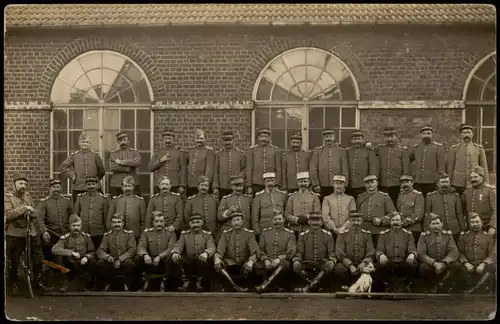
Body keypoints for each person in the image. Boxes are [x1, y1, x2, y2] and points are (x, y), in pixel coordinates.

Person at [5, 174, 49, 295]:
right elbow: (8, 214)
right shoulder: (8, 198)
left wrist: (32, 211)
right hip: (15, 233)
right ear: (14, 185)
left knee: (38, 256)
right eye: (20, 183)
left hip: (30, 232)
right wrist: (24, 208)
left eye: (24, 184)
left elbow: (35, 213)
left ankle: (38, 282)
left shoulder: (28, 196)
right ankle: (14, 284)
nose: (23, 186)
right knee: (13, 259)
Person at [214, 209, 260, 292]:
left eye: (238, 220)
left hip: (243, 263)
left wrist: (251, 261)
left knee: (250, 265)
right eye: (233, 220)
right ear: (230, 222)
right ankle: (233, 286)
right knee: (218, 264)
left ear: (242, 221)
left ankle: (244, 287)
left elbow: (255, 250)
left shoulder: (249, 234)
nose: (236, 222)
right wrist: (217, 258)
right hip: (230, 262)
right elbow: (220, 250)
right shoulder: (226, 234)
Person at [171, 213, 216, 292]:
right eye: (193, 222)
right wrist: (175, 252)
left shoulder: (207, 234)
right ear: (189, 224)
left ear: (202, 223)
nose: (195, 224)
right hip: (189, 261)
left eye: (198, 222)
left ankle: (200, 283)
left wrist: (206, 253)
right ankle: (185, 282)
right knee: (178, 258)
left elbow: (212, 247)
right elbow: (179, 245)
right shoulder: (184, 234)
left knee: (207, 260)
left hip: (202, 260)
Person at [51, 214, 96, 292]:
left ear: (81, 226)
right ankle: (66, 283)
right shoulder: (65, 238)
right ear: (70, 227)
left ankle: (86, 284)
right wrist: (71, 253)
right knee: (59, 257)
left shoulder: (86, 237)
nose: (76, 228)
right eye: (74, 225)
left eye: (78, 225)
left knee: (93, 261)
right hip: (70, 262)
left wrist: (87, 257)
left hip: (83, 261)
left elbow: (93, 252)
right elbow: (55, 249)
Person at [293, 213, 336, 293]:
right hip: (307, 264)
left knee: (329, 266)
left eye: (317, 221)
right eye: (313, 221)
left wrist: (332, 260)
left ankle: (310, 287)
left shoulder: (328, 235)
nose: (315, 223)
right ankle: (314, 286)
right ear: (309, 222)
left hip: (321, 264)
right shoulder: (303, 235)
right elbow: (299, 252)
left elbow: (331, 252)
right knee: (296, 266)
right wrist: (296, 260)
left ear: (322, 223)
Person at [416, 213, 459, 293]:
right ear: (429, 225)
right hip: (430, 264)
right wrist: (434, 263)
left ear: (442, 224)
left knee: (456, 266)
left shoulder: (448, 235)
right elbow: (421, 253)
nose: (436, 226)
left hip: (444, 262)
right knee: (423, 268)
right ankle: (431, 286)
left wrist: (444, 262)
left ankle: (440, 285)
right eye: (433, 224)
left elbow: (454, 252)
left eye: (438, 223)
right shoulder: (424, 236)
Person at [57, 131, 105, 203]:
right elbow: (61, 167)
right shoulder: (74, 156)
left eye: (86, 142)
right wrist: (72, 175)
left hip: (94, 187)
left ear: (89, 143)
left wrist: (95, 180)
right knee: (77, 208)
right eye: (83, 142)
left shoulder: (95, 155)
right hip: (78, 187)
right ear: (79, 143)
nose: (84, 144)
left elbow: (101, 171)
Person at [255, 211, 297, 293]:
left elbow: (291, 251)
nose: (277, 221)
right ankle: (276, 288)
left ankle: (265, 285)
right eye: (274, 219)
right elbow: (260, 249)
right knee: (256, 266)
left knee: (284, 265)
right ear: (271, 220)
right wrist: (266, 260)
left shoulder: (290, 234)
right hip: (268, 260)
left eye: (279, 219)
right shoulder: (265, 233)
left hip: (282, 262)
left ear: (284, 220)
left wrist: (278, 259)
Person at [135, 211, 177, 292]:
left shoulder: (170, 233)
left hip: (164, 261)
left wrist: (160, 256)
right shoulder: (147, 233)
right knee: (137, 258)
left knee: (171, 257)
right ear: (153, 222)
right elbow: (141, 246)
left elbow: (171, 248)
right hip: (150, 260)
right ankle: (141, 284)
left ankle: (169, 285)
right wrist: (145, 255)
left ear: (165, 222)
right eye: (156, 221)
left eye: (161, 221)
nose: (159, 223)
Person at [376, 212, 417, 293]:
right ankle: (386, 286)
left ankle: (407, 285)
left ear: (401, 221)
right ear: (390, 222)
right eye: (393, 220)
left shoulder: (408, 234)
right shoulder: (384, 234)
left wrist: (412, 254)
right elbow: (379, 249)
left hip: (403, 259)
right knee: (380, 264)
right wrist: (381, 255)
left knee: (413, 263)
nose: (395, 222)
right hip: (389, 260)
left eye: (397, 220)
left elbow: (412, 247)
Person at [96, 212, 137, 291]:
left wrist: (121, 258)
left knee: (129, 263)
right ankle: (106, 285)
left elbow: (132, 250)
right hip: (111, 258)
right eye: (114, 222)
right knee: (100, 263)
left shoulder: (129, 234)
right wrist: (107, 257)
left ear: (123, 223)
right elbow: (100, 250)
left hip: (124, 258)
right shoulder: (107, 235)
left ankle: (127, 285)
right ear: (111, 224)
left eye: (119, 222)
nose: (116, 224)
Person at [334, 212, 375, 289]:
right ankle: (345, 286)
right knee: (339, 268)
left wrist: (364, 262)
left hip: (362, 263)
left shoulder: (367, 234)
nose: (356, 223)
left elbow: (371, 251)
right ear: (349, 221)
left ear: (362, 221)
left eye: (358, 220)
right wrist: (350, 265)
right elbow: (339, 252)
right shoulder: (342, 234)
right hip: (347, 264)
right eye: (353, 220)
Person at [457, 213, 496, 294]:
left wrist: (483, 264)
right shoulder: (464, 236)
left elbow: (491, 254)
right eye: (473, 222)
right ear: (469, 224)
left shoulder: (488, 236)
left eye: (477, 222)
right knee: (459, 268)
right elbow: (460, 253)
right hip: (468, 264)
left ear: (481, 222)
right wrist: (466, 263)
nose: (475, 224)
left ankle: (475, 289)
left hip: (483, 264)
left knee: (492, 267)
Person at [35, 178, 73, 262]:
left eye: (58, 187)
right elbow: (39, 219)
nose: (56, 189)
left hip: (65, 233)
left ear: (61, 188)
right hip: (50, 233)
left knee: (65, 257)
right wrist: (44, 231)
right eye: (54, 187)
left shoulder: (66, 201)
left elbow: (72, 217)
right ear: (50, 188)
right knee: (50, 257)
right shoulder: (44, 202)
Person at [447, 123, 489, 196]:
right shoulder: (454, 148)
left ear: (472, 134)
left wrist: (486, 183)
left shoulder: (479, 148)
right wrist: (449, 184)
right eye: (464, 133)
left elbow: (484, 167)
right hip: (457, 183)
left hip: (474, 182)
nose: (466, 135)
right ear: (461, 135)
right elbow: (450, 168)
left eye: (468, 132)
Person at [424, 172, 465, 242]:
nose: (445, 184)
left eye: (447, 182)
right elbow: (427, 215)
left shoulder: (455, 196)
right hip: (437, 230)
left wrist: (462, 229)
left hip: (454, 230)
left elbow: (459, 214)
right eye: (442, 182)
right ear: (437, 184)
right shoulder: (430, 196)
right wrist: (427, 230)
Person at [375, 127, 411, 205]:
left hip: (397, 182)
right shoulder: (380, 149)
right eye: (387, 137)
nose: (390, 139)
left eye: (392, 136)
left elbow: (406, 168)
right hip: (383, 182)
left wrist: (404, 183)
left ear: (396, 137)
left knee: (396, 203)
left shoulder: (402, 150)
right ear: (384, 138)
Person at [309, 129, 349, 200]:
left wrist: (344, 184)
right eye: (326, 137)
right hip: (321, 185)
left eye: (330, 136)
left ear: (334, 138)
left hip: (337, 185)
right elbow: (313, 169)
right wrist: (315, 184)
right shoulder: (317, 151)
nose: (328, 139)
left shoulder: (341, 151)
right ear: (323, 138)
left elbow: (345, 169)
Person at [148, 128, 187, 196]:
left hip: (174, 184)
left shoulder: (179, 152)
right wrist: (160, 161)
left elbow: (183, 169)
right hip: (160, 184)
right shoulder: (158, 152)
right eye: (166, 138)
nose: (167, 141)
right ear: (163, 139)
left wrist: (182, 185)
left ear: (173, 139)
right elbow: (150, 168)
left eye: (169, 138)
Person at [357, 175, 396, 243]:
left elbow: (392, 213)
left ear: (377, 183)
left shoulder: (384, 197)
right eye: (367, 183)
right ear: (364, 185)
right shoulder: (360, 197)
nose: (370, 185)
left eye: (372, 182)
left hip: (379, 230)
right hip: (363, 230)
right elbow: (357, 214)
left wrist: (381, 220)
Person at [74, 176, 110, 248]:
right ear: (85, 185)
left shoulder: (103, 199)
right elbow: (76, 215)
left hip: (98, 232)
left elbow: (106, 217)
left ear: (97, 185)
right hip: (83, 231)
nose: (91, 186)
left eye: (93, 184)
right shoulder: (80, 198)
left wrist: (107, 231)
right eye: (89, 184)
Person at [409, 125, 445, 197]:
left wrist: (439, 181)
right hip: (418, 181)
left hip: (432, 181)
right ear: (421, 135)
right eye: (424, 134)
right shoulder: (416, 148)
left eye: (428, 133)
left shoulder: (438, 147)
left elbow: (441, 166)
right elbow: (409, 160)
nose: (426, 136)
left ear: (432, 135)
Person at [107, 176, 146, 240]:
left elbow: (143, 221)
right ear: (122, 187)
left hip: (135, 235)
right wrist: (111, 232)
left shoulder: (140, 201)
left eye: (129, 186)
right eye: (125, 186)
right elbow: (109, 219)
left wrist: (142, 235)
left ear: (133, 187)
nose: (127, 188)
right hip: (118, 235)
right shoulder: (115, 200)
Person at [245, 127, 282, 196]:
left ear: (269, 138)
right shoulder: (252, 150)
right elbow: (249, 168)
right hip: (256, 183)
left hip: (271, 183)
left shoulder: (275, 150)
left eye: (266, 136)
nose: (263, 138)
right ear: (258, 138)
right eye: (261, 136)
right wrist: (249, 185)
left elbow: (278, 169)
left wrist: (277, 184)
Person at [462, 166, 496, 237]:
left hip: (486, 228)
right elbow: (461, 210)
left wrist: (493, 226)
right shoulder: (466, 192)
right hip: (471, 228)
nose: (473, 179)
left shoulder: (489, 191)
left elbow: (495, 210)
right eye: (471, 177)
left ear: (482, 178)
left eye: (475, 177)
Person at [285, 171, 321, 237]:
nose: (303, 184)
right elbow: (287, 214)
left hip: (310, 229)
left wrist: (307, 217)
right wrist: (296, 219)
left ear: (309, 182)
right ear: (297, 183)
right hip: (294, 229)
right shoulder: (291, 197)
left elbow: (318, 213)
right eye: (301, 182)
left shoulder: (315, 197)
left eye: (305, 181)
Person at [346, 130, 378, 200]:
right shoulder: (347, 151)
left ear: (363, 140)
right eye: (355, 139)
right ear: (351, 141)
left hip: (363, 184)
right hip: (349, 184)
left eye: (359, 139)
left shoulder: (369, 152)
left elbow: (373, 169)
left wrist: (371, 184)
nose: (357, 141)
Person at [213, 131, 246, 199]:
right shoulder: (218, 155)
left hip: (236, 187)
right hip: (222, 187)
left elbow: (244, 169)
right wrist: (215, 187)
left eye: (230, 140)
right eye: (225, 140)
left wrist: (238, 177)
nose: (227, 142)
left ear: (233, 140)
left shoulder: (241, 154)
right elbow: (215, 171)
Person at [108, 131, 142, 196]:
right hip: (116, 184)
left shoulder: (134, 152)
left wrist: (121, 162)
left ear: (128, 141)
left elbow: (137, 162)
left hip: (132, 183)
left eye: (124, 140)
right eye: (121, 140)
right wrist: (128, 167)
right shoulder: (113, 154)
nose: (123, 142)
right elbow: (112, 167)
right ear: (118, 142)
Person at [186, 129, 215, 197]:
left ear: (205, 139)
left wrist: (205, 183)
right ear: (195, 139)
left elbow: (209, 169)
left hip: (202, 183)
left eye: (201, 138)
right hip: (191, 183)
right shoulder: (191, 150)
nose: (199, 140)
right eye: (197, 138)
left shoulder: (208, 151)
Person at [396, 175, 425, 243]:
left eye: (407, 182)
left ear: (412, 183)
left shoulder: (418, 195)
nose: (404, 184)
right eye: (402, 182)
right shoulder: (400, 195)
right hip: (400, 228)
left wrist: (404, 222)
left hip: (413, 229)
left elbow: (418, 214)